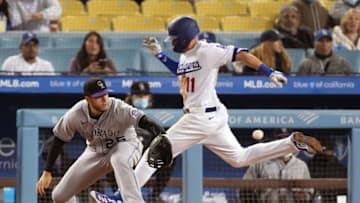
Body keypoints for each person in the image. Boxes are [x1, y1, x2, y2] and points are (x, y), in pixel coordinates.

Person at [90, 16, 323, 202]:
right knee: (240, 158)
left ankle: (121, 198)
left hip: (200, 117)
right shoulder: (185, 55)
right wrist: (160, 55)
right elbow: (182, 71)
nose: (171, 41)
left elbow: (240, 54)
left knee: (156, 151)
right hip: (211, 117)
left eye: (174, 38)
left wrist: (268, 71)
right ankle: (291, 143)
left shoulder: (207, 50)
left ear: (186, 36)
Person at [36, 77, 170, 203]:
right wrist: (47, 171)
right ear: (88, 99)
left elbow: (145, 121)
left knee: (119, 159)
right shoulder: (76, 113)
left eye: (105, 94)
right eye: (98, 96)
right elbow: (59, 139)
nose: (104, 99)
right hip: (96, 152)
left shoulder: (119, 107)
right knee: (59, 196)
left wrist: (163, 136)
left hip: (125, 144)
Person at [241, 132, 313, 203]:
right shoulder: (260, 162)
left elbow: (309, 193)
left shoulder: (301, 165)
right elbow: (244, 189)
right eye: (281, 141)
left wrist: (303, 196)